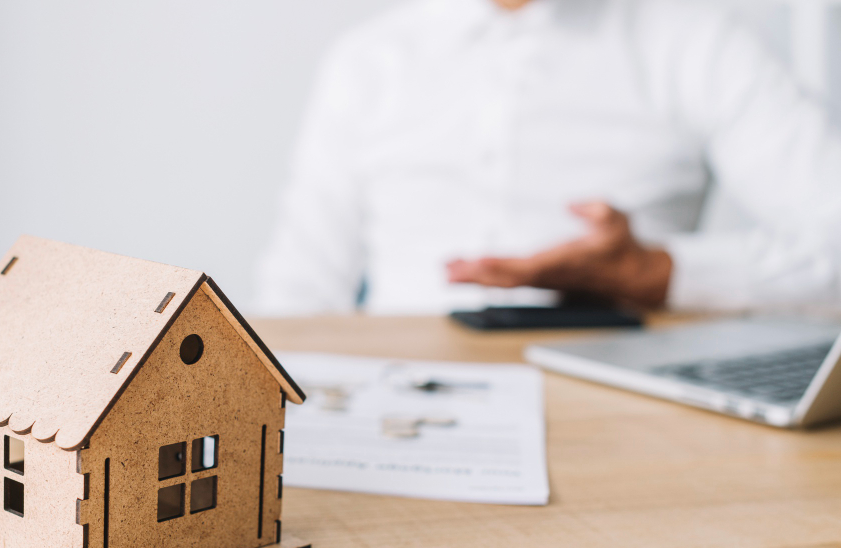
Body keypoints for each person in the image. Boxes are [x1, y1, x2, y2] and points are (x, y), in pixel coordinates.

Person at [255, 0, 841, 315]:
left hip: (629, 417)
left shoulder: (699, 43)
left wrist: (661, 274)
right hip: (393, 403)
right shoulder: (367, 60)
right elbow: (300, 289)